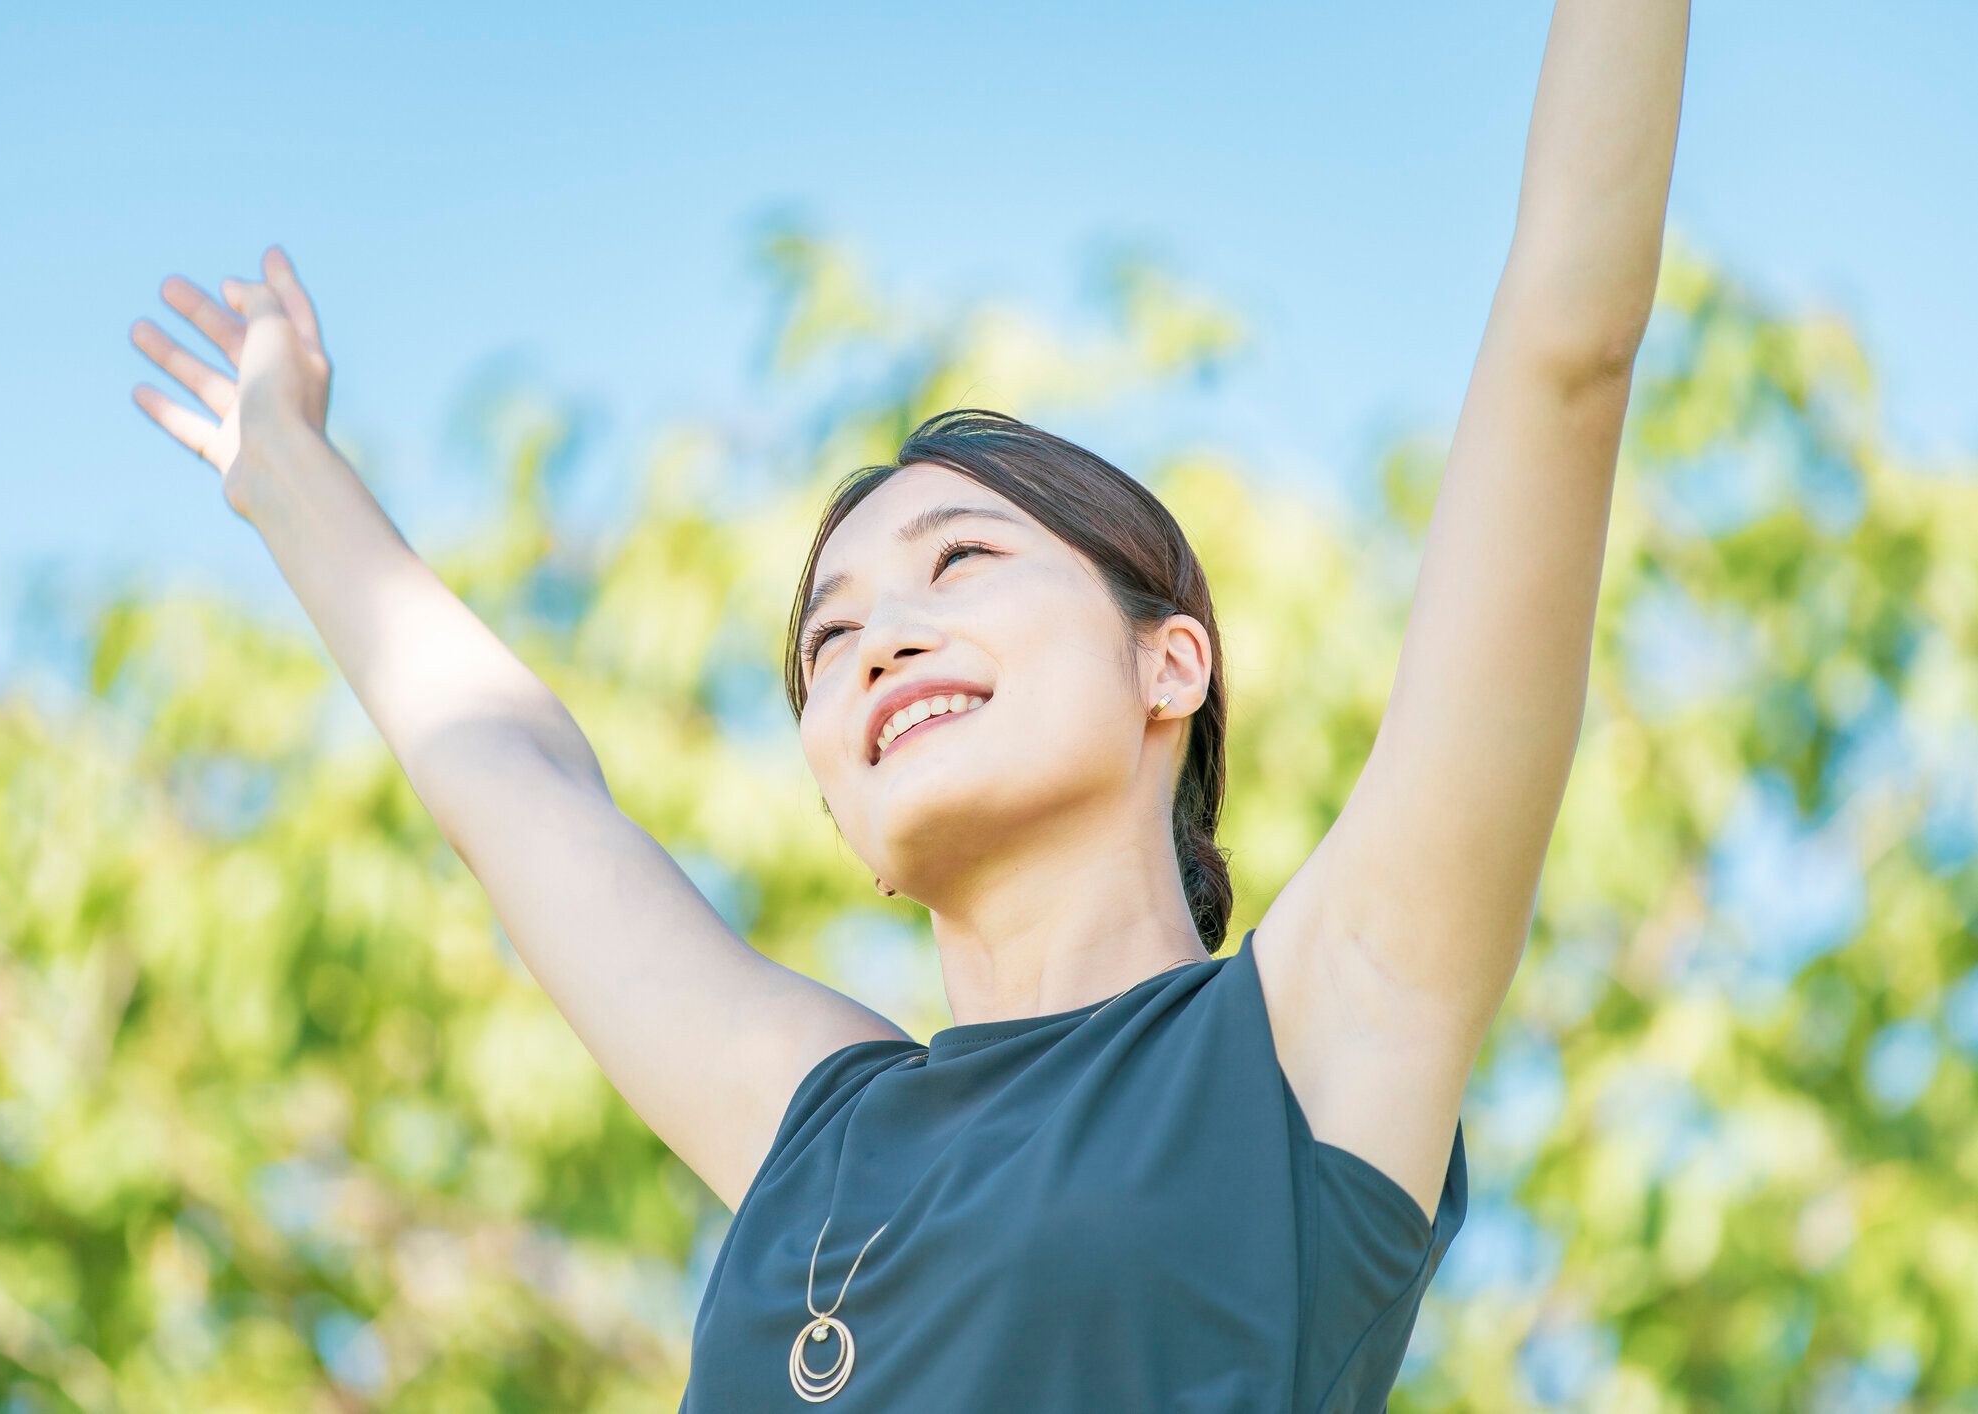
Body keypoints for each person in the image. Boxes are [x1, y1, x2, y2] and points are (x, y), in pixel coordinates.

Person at [126, 3, 1689, 1404]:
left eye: (960, 561)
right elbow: (519, 781)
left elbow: (1567, 349)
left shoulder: (1315, 1034)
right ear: (836, 807)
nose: (877, 639)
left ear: (1172, 662)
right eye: (828, 636)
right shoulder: (819, 1130)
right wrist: (284, 471)